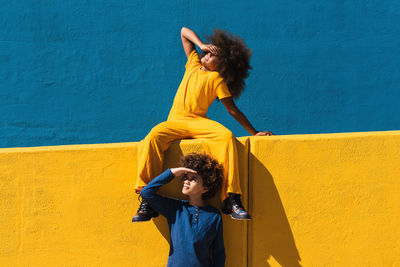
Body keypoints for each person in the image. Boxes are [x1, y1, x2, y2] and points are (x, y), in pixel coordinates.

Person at [132, 26, 273, 222]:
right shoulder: (193, 64)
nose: (207, 53)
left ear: (222, 65)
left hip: (198, 122)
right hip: (175, 121)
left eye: (213, 54)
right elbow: (183, 32)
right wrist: (201, 44)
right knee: (152, 138)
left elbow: (232, 110)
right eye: (207, 51)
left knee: (225, 137)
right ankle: (147, 198)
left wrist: (254, 132)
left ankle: (231, 198)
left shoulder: (217, 79)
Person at [140, 153, 225, 267]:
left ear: (205, 188)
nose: (186, 181)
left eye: (193, 179)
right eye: (185, 177)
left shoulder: (214, 215)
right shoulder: (175, 208)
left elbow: (218, 252)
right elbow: (146, 193)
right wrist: (172, 173)